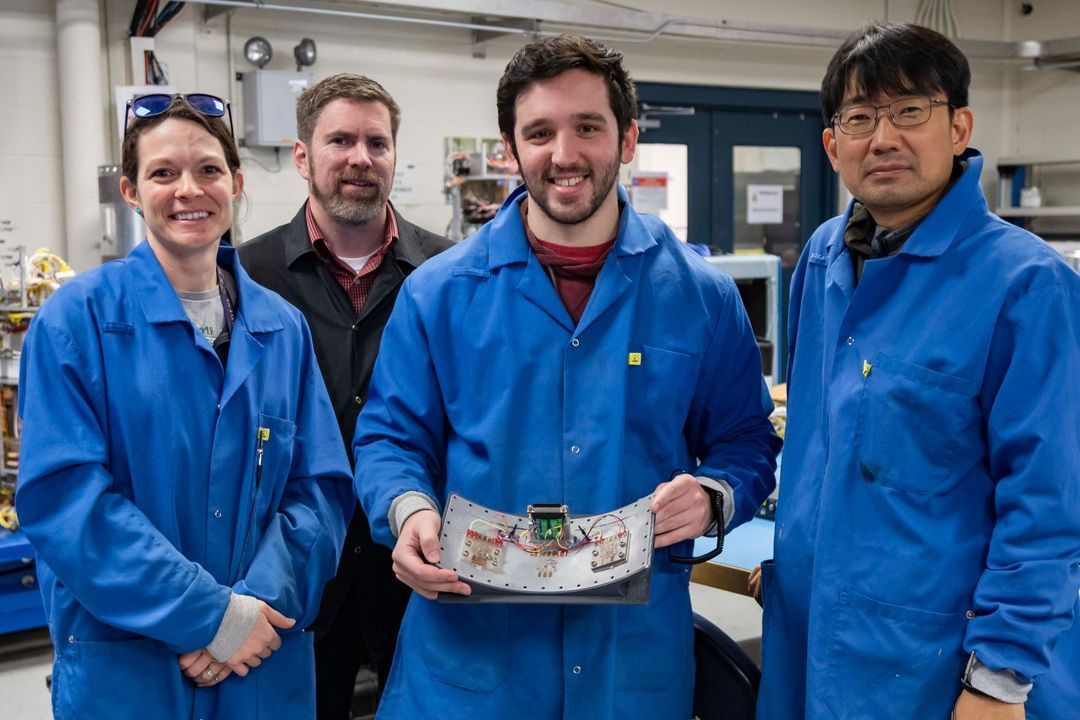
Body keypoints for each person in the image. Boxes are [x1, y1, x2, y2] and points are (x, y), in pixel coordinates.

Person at [354, 34, 780, 717]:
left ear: (629, 137)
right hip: (469, 668)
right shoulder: (440, 294)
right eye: (540, 132)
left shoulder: (700, 296)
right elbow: (389, 441)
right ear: (510, 147)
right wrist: (407, 511)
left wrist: (712, 493)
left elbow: (747, 441)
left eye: (588, 127)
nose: (564, 154)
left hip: (630, 667)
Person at [757, 22, 1080, 720]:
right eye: (860, 117)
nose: (884, 138)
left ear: (959, 126)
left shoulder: (1028, 285)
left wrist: (999, 678)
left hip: (939, 660)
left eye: (910, 111)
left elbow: (1049, 505)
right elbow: (821, 438)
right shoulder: (822, 257)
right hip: (812, 636)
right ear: (832, 144)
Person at [16, 94, 353, 719]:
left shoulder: (283, 330)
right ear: (131, 190)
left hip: (260, 656)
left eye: (208, 170)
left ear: (237, 182)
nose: (188, 190)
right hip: (132, 668)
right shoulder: (76, 321)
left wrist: (249, 612)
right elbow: (67, 501)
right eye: (163, 173)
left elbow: (322, 490)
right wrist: (208, 616)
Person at [239, 73, 449, 718]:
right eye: (340, 141)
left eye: (376, 143)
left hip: (418, 556)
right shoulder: (247, 274)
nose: (361, 158)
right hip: (289, 561)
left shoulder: (449, 274)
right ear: (302, 155)